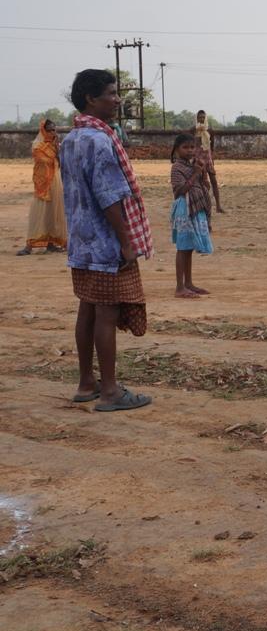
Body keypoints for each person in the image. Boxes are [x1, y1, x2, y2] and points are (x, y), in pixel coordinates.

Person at [61, 69, 153, 412]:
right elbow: (110, 197)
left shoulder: (70, 139)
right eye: (111, 94)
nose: (117, 100)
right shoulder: (100, 141)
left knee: (87, 308)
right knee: (106, 313)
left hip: (81, 241)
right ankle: (111, 391)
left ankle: (87, 383)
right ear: (91, 98)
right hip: (104, 243)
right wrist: (126, 242)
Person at [169, 134, 214, 299]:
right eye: (185, 147)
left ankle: (188, 283)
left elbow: (205, 187)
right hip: (184, 209)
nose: (189, 151)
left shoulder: (193, 165)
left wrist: (203, 172)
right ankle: (179, 287)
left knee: (188, 248)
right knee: (182, 248)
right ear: (176, 150)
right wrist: (195, 173)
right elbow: (180, 190)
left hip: (195, 207)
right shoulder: (177, 168)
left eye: (192, 147)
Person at [17, 119, 67, 255]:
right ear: (44, 130)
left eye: (54, 130)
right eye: (50, 130)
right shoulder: (37, 145)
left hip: (55, 181)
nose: (53, 133)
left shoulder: (55, 145)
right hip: (42, 184)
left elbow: (60, 163)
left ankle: (51, 243)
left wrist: (58, 149)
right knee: (39, 212)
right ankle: (29, 245)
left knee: (53, 212)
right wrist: (55, 151)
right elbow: (43, 160)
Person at [190, 110, 224, 213]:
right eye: (199, 117)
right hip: (197, 159)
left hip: (207, 158)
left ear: (206, 118)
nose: (201, 119)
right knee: (198, 182)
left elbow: (211, 147)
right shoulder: (193, 130)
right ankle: (199, 204)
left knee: (214, 181)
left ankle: (218, 206)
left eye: (203, 117)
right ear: (196, 118)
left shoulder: (210, 130)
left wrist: (212, 159)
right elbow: (190, 144)